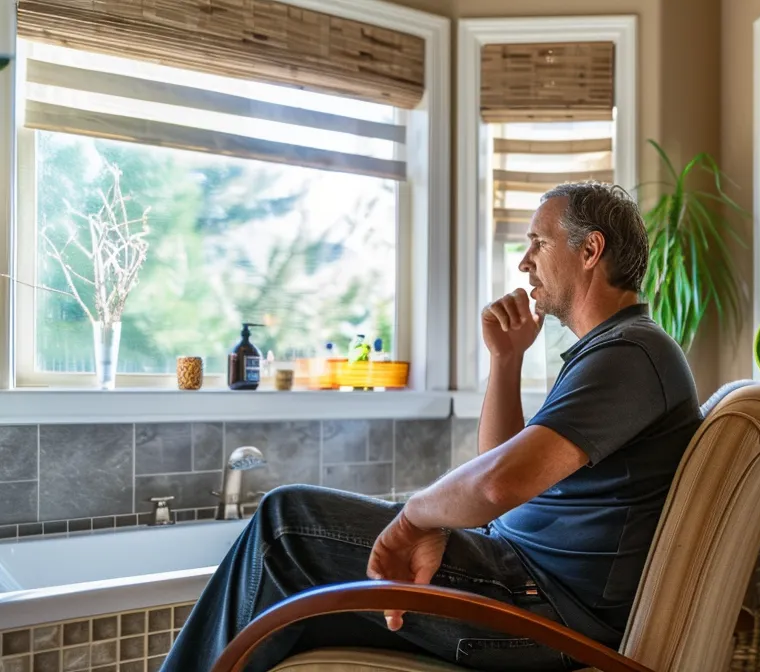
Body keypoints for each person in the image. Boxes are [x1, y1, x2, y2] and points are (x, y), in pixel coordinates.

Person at [164, 182, 702, 672]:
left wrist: (414, 519)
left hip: (545, 607)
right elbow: (503, 473)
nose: (524, 263)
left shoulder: (630, 354)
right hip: (523, 581)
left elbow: (497, 485)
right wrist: (505, 359)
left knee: (287, 524)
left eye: (538, 242)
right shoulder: (612, 351)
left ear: (590, 251)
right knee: (288, 586)